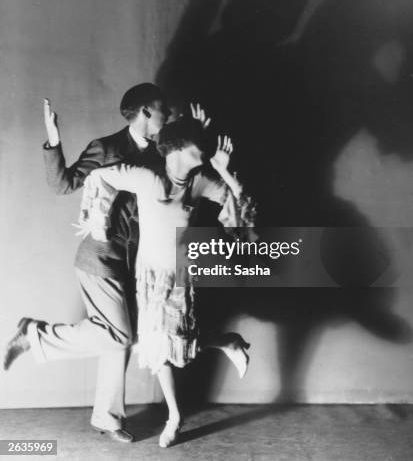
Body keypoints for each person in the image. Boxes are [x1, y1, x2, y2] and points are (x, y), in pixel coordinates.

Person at [2, 83, 172, 443]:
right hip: (99, 256)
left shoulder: (161, 153)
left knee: (120, 339)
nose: (167, 114)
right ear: (144, 112)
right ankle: (35, 335)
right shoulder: (107, 147)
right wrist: (52, 140)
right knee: (120, 335)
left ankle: (107, 418)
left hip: (134, 262)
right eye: (162, 108)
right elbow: (63, 184)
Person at [78, 117, 255, 448]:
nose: (206, 148)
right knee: (158, 348)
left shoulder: (200, 179)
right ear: (177, 149)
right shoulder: (147, 177)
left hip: (181, 273)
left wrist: (225, 171)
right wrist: (97, 219)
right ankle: (177, 413)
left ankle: (225, 344)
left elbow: (240, 211)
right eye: (198, 143)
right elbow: (99, 176)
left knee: (171, 343)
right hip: (150, 274)